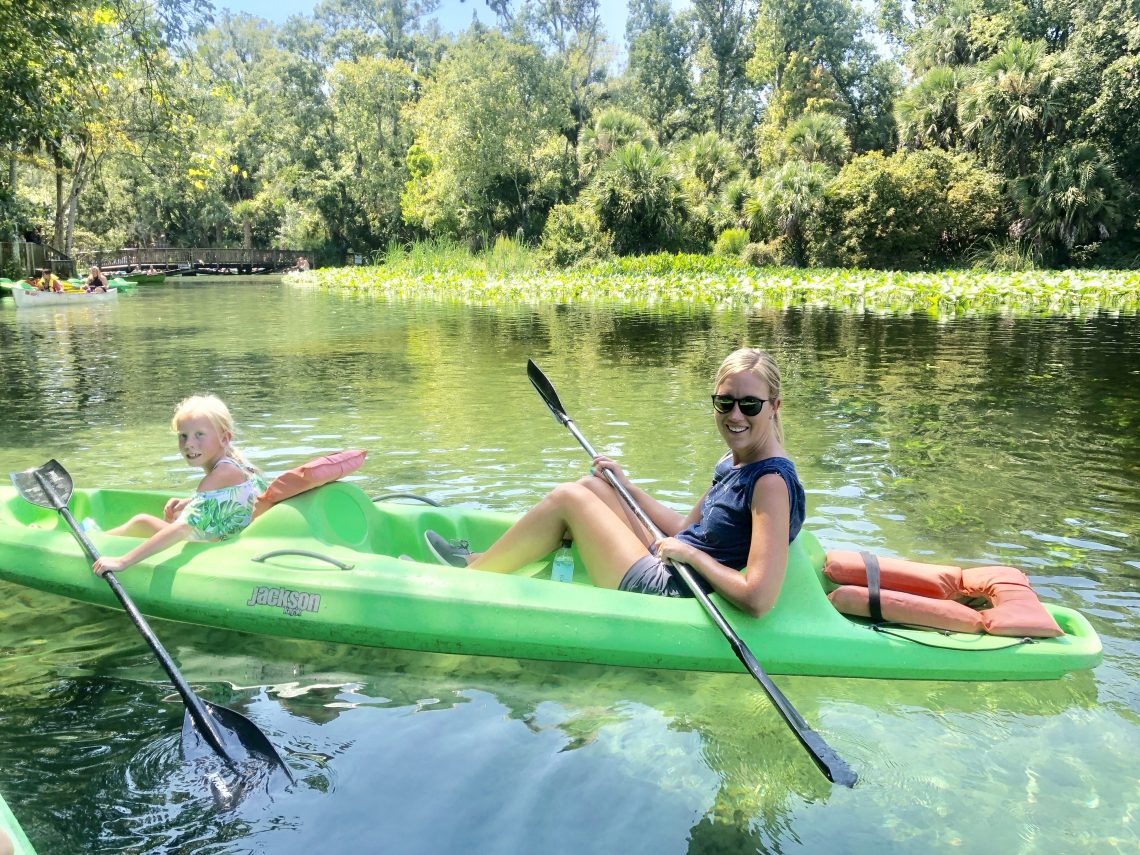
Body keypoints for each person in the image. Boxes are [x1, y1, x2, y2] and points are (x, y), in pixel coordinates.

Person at [424, 348, 806, 617]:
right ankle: (482, 561)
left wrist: (691, 556)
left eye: (749, 405)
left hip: (676, 589)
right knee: (594, 487)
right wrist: (627, 487)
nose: (735, 414)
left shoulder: (770, 482)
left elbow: (758, 599)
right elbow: (686, 529)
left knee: (569, 500)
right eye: (725, 402)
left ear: (774, 406)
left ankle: (469, 581)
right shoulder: (735, 460)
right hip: (674, 561)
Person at [91, 395, 267, 575]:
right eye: (183, 436)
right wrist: (190, 501)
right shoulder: (239, 464)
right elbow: (237, 497)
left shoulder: (216, 477)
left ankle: (92, 543)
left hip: (214, 549)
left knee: (142, 522)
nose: (189, 444)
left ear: (224, 438)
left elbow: (182, 529)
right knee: (176, 512)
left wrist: (122, 562)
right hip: (231, 540)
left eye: (199, 434)